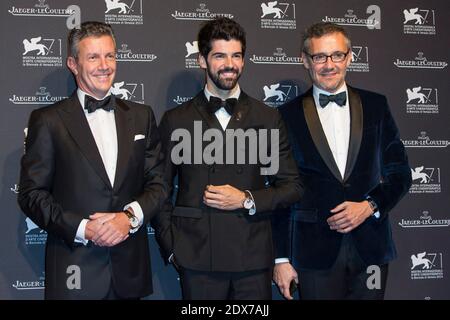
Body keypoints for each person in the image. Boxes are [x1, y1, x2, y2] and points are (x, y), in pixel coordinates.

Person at [153, 17, 302, 300]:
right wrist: (172, 247)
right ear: (202, 60)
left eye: (236, 56)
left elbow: (291, 187)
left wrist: (247, 199)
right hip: (196, 259)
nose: (229, 64)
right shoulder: (176, 120)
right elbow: (158, 189)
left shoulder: (267, 118)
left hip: (253, 260)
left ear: (244, 61)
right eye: (220, 55)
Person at [18, 21, 167, 299]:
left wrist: (129, 217)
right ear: (73, 64)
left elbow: (159, 184)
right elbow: (31, 194)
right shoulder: (48, 121)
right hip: (74, 270)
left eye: (110, 55)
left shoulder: (142, 116)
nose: (104, 65)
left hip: (129, 273)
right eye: (93, 57)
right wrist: (84, 228)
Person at [273, 22, 412, 300]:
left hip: (370, 249)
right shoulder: (284, 116)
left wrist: (369, 206)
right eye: (319, 57)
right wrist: (280, 259)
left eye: (337, 55)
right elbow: (279, 191)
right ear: (305, 60)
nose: (329, 65)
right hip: (313, 252)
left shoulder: (376, 106)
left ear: (349, 57)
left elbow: (401, 174)